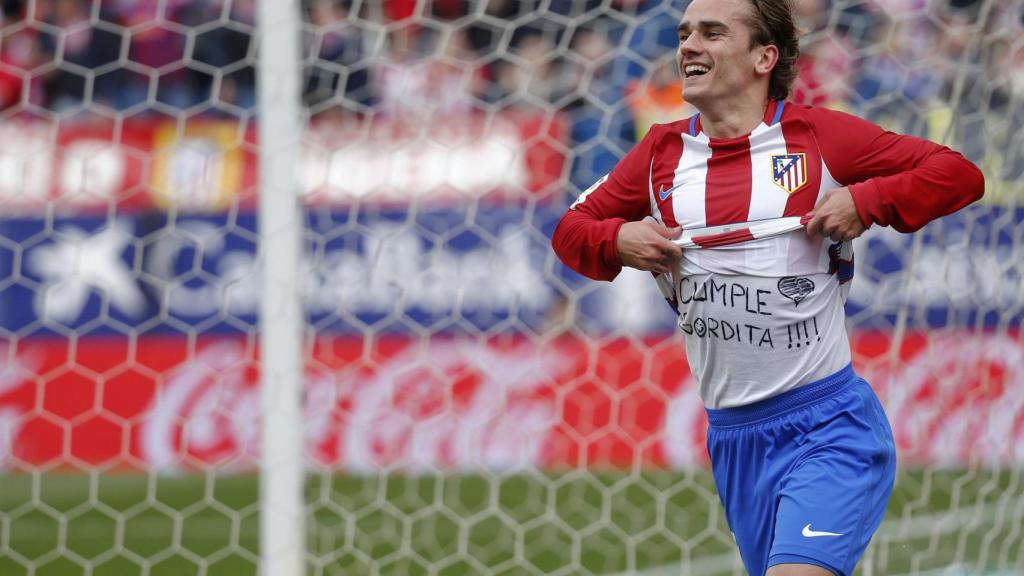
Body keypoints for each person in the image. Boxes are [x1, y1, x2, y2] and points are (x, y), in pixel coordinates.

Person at [550, 0, 985, 575]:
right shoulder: (659, 154)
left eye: (711, 33)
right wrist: (618, 239)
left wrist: (866, 200)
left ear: (764, 57)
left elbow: (958, 174)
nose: (688, 46)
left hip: (829, 428)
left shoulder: (817, 136)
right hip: (735, 441)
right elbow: (570, 231)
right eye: (683, 34)